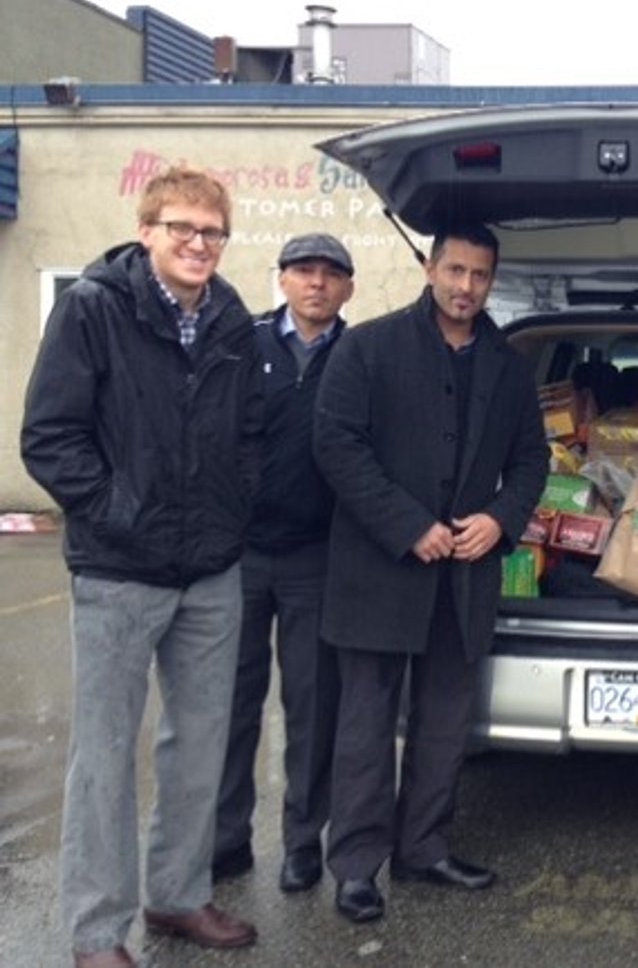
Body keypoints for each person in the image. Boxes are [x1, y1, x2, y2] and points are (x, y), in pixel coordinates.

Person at [20, 169, 262, 967]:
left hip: (210, 570)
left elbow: (249, 435)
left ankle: (177, 894)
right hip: (118, 570)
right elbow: (50, 437)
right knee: (104, 754)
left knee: (200, 744)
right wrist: (122, 511)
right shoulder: (93, 309)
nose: (199, 244)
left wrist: (233, 510)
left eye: (213, 233)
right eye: (183, 228)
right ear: (148, 228)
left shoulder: (230, 319)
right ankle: (97, 932)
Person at [313, 222, 549, 924]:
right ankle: (357, 866)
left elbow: (533, 460)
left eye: (479, 275)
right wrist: (406, 523)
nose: (466, 287)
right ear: (429, 267)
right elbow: (335, 442)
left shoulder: (508, 365)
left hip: (465, 575)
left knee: (445, 720)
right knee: (364, 726)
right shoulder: (369, 347)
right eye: (455, 270)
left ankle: (424, 848)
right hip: (379, 569)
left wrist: (501, 518)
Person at [213, 234, 356, 893]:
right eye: (304, 271)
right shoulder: (242, 344)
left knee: (311, 705)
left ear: (347, 288)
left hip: (315, 558)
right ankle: (225, 838)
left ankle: (303, 842)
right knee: (230, 703)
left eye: (331, 274)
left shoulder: (358, 356)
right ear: (283, 279)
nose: (317, 284)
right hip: (239, 555)